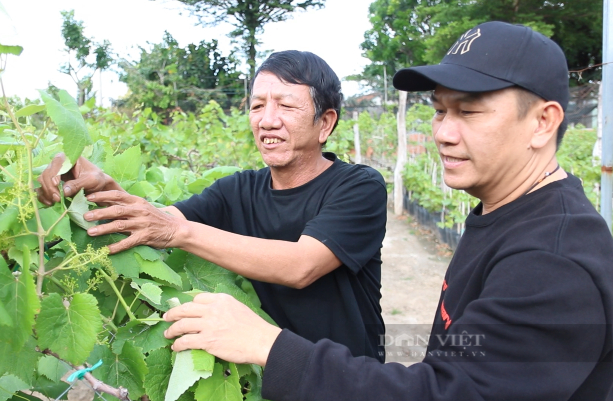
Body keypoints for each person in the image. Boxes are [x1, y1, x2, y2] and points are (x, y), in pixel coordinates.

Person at [162, 21, 613, 400]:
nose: (444, 133)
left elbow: (441, 394)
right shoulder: (508, 215)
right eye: (439, 111)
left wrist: (269, 345)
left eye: (469, 112)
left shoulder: (551, 263)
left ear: (543, 122)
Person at [36, 50, 388, 362]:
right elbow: (153, 223)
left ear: (325, 123)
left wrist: (179, 232)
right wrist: (100, 186)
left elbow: (301, 266)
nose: (267, 120)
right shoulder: (236, 190)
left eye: (286, 105)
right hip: (271, 376)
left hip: (345, 376)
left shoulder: (358, 187)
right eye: (257, 106)